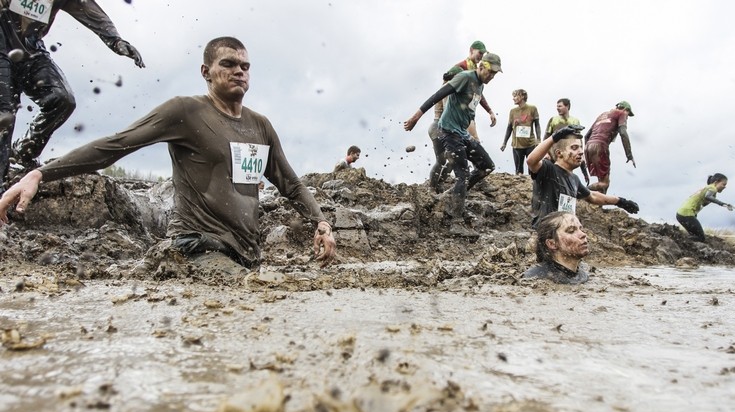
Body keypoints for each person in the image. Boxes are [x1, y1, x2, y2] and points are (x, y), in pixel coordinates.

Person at [0, 36, 336, 271]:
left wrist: (320, 222)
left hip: (246, 252)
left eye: (245, 66)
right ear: (206, 72)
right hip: (196, 246)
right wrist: (40, 173)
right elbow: (115, 146)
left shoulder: (260, 126)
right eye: (229, 64)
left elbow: (291, 185)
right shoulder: (185, 112)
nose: (239, 71)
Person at [0, 0, 145, 190]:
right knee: (4, 115)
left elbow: (89, 10)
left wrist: (116, 40)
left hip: (31, 46)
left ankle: (23, 152)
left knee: (62, 99)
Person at [403, 52, 502, 234]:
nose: (492, 77)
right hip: (448, 131)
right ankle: (456, 221)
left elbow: (479, 97)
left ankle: (452, 194)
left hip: (462, 133)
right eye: (490, 73)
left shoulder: (480, 84)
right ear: (481, 67)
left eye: (495, 75)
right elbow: (438, 94)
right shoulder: (464, 77)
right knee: (462, 174)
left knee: (486, 166)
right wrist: (415, 117)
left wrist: (490, 111)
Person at [527, 125, 639, 228]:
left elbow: (592, 196)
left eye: (581, 147)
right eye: (574, 148)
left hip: (564, 231)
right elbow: (531, 161)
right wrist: (555, 137)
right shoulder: (548, 170)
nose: (581, 152)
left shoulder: (574, 179)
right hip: (545, 231)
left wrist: (620, 201)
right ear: (559, 153)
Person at [522, 211, 590, 284]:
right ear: (552, 244)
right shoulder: (536, 277)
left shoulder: (583, 276)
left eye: (581, 229)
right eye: (571, 231)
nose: (583, 234)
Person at [583, 101, 635, 194]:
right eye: (628, 114)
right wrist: (629, 155)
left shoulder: (602, 115)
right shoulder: (621, 113)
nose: (627, 117)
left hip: (588, 146)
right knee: (604, 183)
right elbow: (623, 133)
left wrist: (587, 156)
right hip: (600, 146)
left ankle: (598, 206)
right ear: (625, 109)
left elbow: (586, 136)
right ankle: (579, 191)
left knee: (601, 180)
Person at [452, 40, 497, 137]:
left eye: (482, 54)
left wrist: (490, 111)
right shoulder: (462, 67)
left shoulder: (475, 71)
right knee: (474, 143)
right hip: (456, 116)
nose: (481, 56)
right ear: (471, 50)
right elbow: (447, 87)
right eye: (480, 53)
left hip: (468, 115)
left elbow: (478, 94)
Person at [428, 66, 462, 194]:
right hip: (440, 127)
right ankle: (433, 187)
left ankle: (437, 185)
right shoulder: (448, 88)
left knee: (448, 159)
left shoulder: (446, 87)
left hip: (438, 127)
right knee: (445, 159)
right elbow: (449, 109)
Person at [676, 173, 734, 242]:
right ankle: (678, 240)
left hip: (681, 214)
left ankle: (681, 243)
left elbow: (701, 204)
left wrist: (695, 215)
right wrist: (723, 204)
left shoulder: (708, 188)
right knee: (701, 238)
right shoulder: (712, 188)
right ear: (716, 182)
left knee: (694, 236)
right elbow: (708, 196)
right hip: (686, 214)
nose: (725, 187)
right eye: (723, 184)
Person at [543, 98, 586, 179]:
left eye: (560, 106)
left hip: (568, 151)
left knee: (567, 170)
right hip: (554, 150)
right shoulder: (553, 120)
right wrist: (546, 153)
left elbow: (578, 139)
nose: (557, 108)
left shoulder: (575, 121)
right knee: (552, 171)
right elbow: (546, 137)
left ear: (567, 106)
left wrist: (581, 152)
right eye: (557, 106)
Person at [500, 89, 541, 175]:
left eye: (515, 96)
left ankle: (532, 186)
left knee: (532, 169)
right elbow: (509, 128)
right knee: (518, 170)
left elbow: (537, 125)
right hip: (517, 144)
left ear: (522, 96)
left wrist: (539, 139)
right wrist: (504, 142)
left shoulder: (532, 109)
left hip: (530, 143)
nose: (513, 98)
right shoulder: (513, 111)